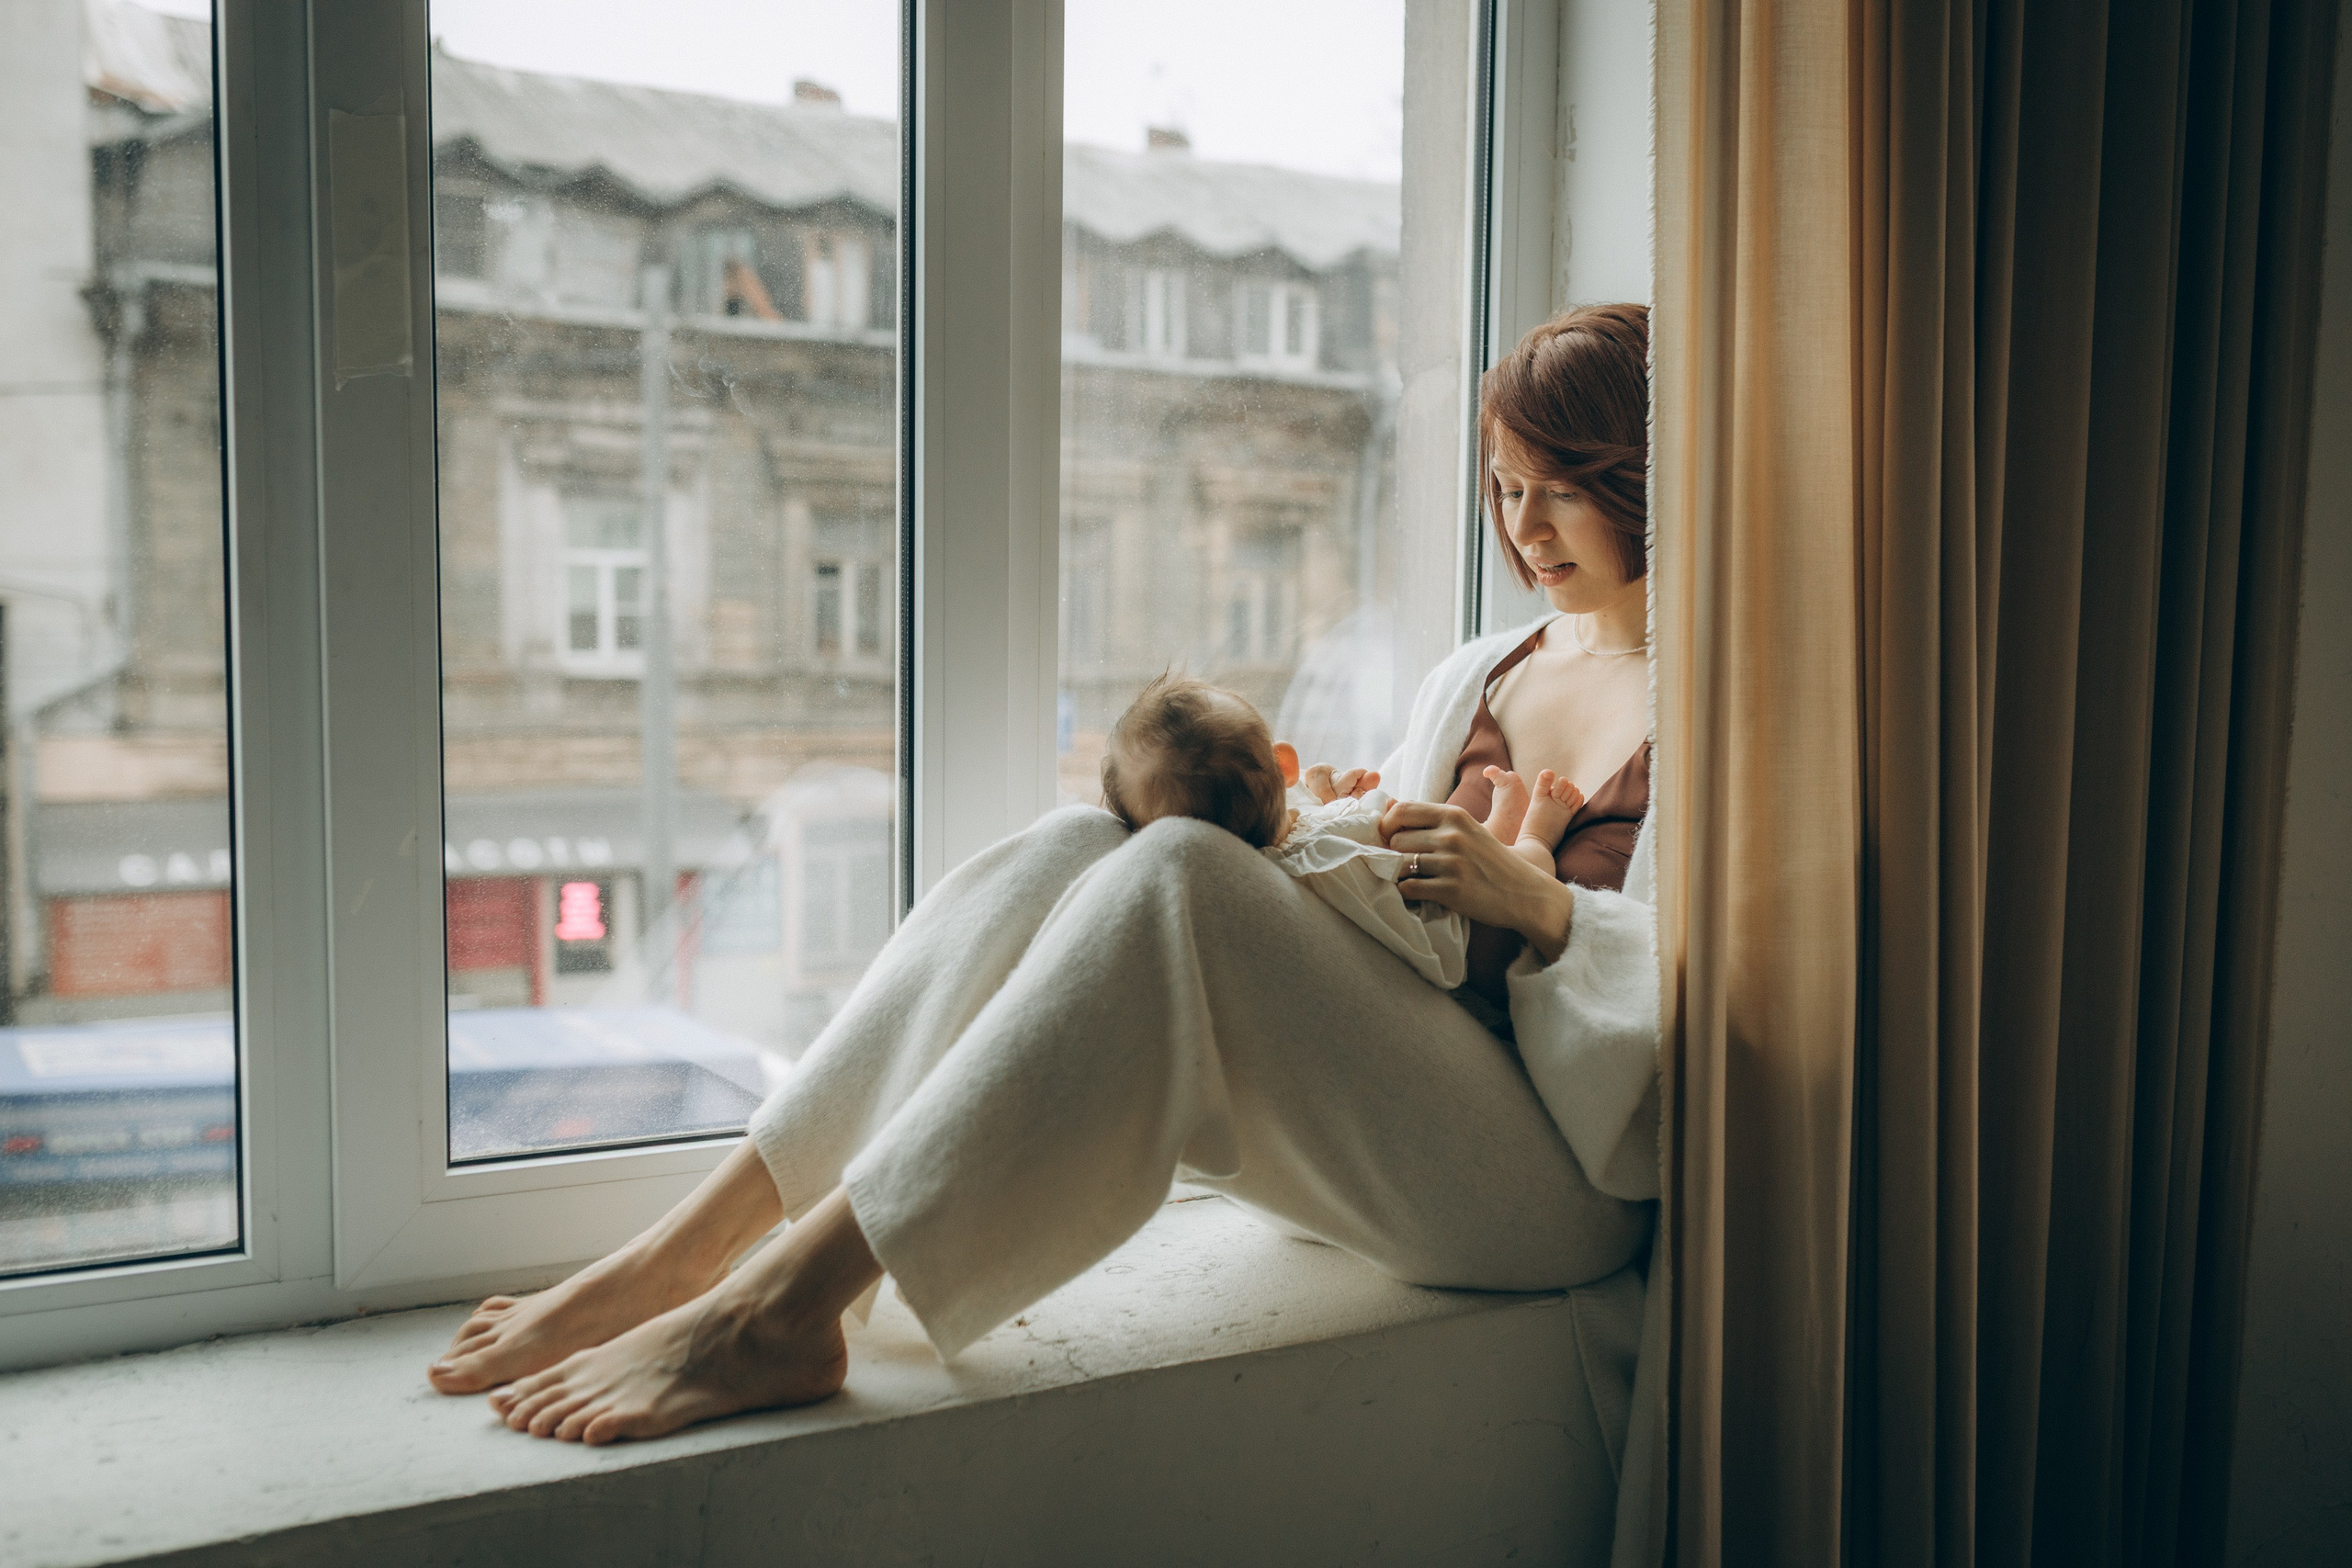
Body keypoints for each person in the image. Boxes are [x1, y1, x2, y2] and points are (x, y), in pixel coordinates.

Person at [424, 302, 1661, 1448]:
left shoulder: (1735, 715)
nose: (1524, 528)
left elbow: (1760, 1027)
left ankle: (778, 1312)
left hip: (1552, 1183)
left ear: (1651, 484)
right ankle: (687, 1254)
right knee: (1097, 838)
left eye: (1565, 492)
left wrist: (1543, 909)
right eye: (1506, 489)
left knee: (1180, 869)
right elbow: (1398, 929)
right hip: (1397, 1109)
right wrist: (1332, 840)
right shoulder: (1482, 673)